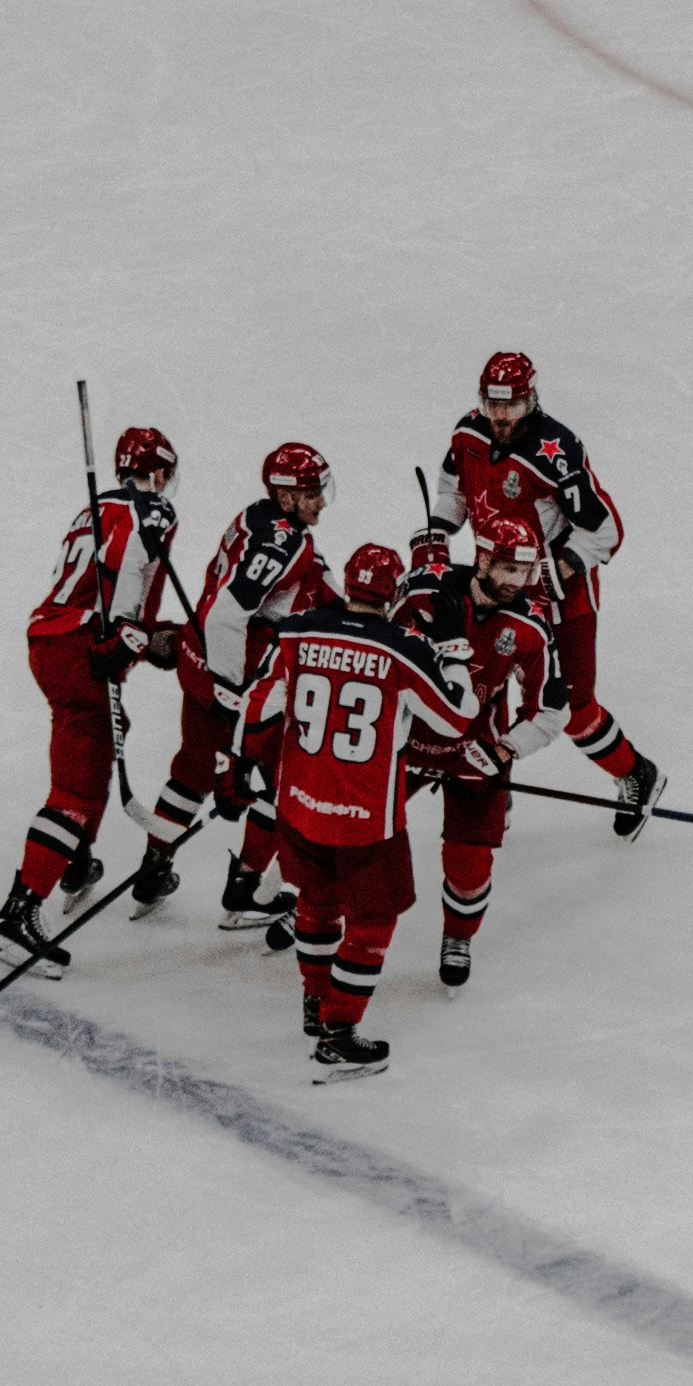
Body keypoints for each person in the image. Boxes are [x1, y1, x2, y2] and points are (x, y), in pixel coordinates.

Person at [239, 543, 475, 1081]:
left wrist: (240, 761)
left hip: (298, 805)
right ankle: (339, 1034)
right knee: (372, 922)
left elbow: (258, 701)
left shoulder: (299, 631)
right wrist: (455, 653)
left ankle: (315, 1002)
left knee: (316, 905)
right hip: (366, 818)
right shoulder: (403, 647)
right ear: (393, 596)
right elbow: (456, 718)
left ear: (347, 583)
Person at [425, 351, 662, 839]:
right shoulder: (467, 434)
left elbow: (605, 529)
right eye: (493, 406)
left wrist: (565, 567)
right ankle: (496, 788)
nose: (500, 417)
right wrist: (437, 532)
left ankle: (635, 772)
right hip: (495, 585)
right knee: (483, 689)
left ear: (531, 398)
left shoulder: (556, 449)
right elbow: (454, 489)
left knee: (574, 710)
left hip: (561, 599)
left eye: (510, 407)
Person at [0, 426, 183, 969]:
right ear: (162, 472)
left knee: (93, 751)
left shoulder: (93, 507)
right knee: (74, 791)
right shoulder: (154, 511)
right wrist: (126, 639)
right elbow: (129, 564)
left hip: (48, 638)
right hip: (84, 647)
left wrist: (134, 640)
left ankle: (75, 864)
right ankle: (19, 912)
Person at [142, 442, 337, 927]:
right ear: (286, 496)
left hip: (197, 657)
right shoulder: (283, 542)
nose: (321, 502)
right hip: (236, 672)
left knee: (191, 769)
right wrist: (233, 695)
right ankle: (245, 892)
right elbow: (229, 614)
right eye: (311, 493)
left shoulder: (258, 517)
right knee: (272, 782)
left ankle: (153, 868)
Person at [396, 510, 568, 989]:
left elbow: (551, 711)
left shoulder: (530, 624)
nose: (521, 581)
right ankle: (302, 899)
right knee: (358, 830)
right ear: (484, 560)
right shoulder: (424, 599)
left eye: (528, 570)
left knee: (469, 864)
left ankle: (459, 936)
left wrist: (505, 752)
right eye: (511, 569)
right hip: (404, 740)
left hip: (473, 748)